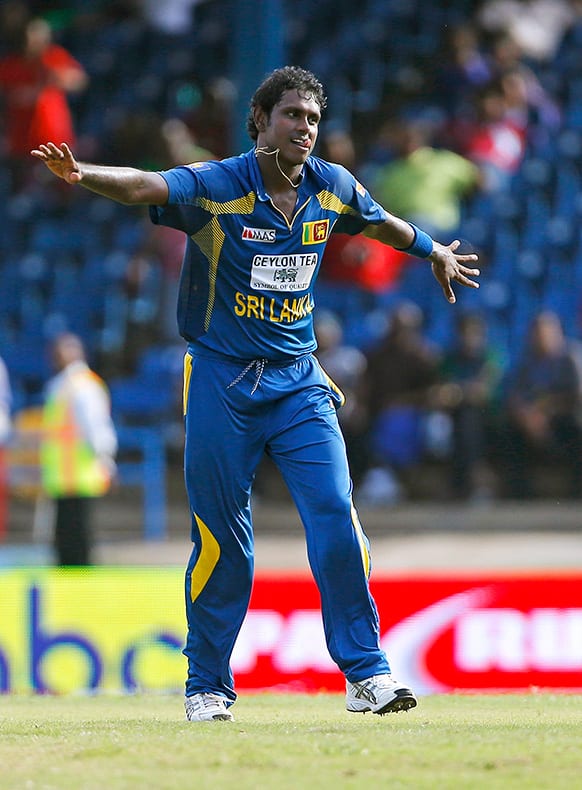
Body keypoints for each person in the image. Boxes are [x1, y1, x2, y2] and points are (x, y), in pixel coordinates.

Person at [32, 66, 480, 722]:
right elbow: (146, 186)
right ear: (261, 122)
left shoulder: (332, 188)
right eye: (293, 115)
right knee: (222, 541)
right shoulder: (218, 185)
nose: (305, 128)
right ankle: (207, 686)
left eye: (314, 119)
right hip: (221, 380)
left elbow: (381, 223)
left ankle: (368, 675)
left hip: (299, 379)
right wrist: (83, 175)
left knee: (335, 514)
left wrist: (435, 248)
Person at [40, 333, 117, 566]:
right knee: (65, 538)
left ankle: (81, 589)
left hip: (80, 474)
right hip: (64, 476)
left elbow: (96, 428)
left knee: (78, 538)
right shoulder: (61, 385)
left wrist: (105, 461)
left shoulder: (83, 386)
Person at [502, 311, 582, 499]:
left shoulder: (571, 357)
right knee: (509, 433)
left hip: (565, 417)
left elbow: (577, 396)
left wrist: (546, 410)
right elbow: (514, 396)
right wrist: (526, 417)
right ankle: (519, 494)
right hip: (532, 421)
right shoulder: (526, 361)